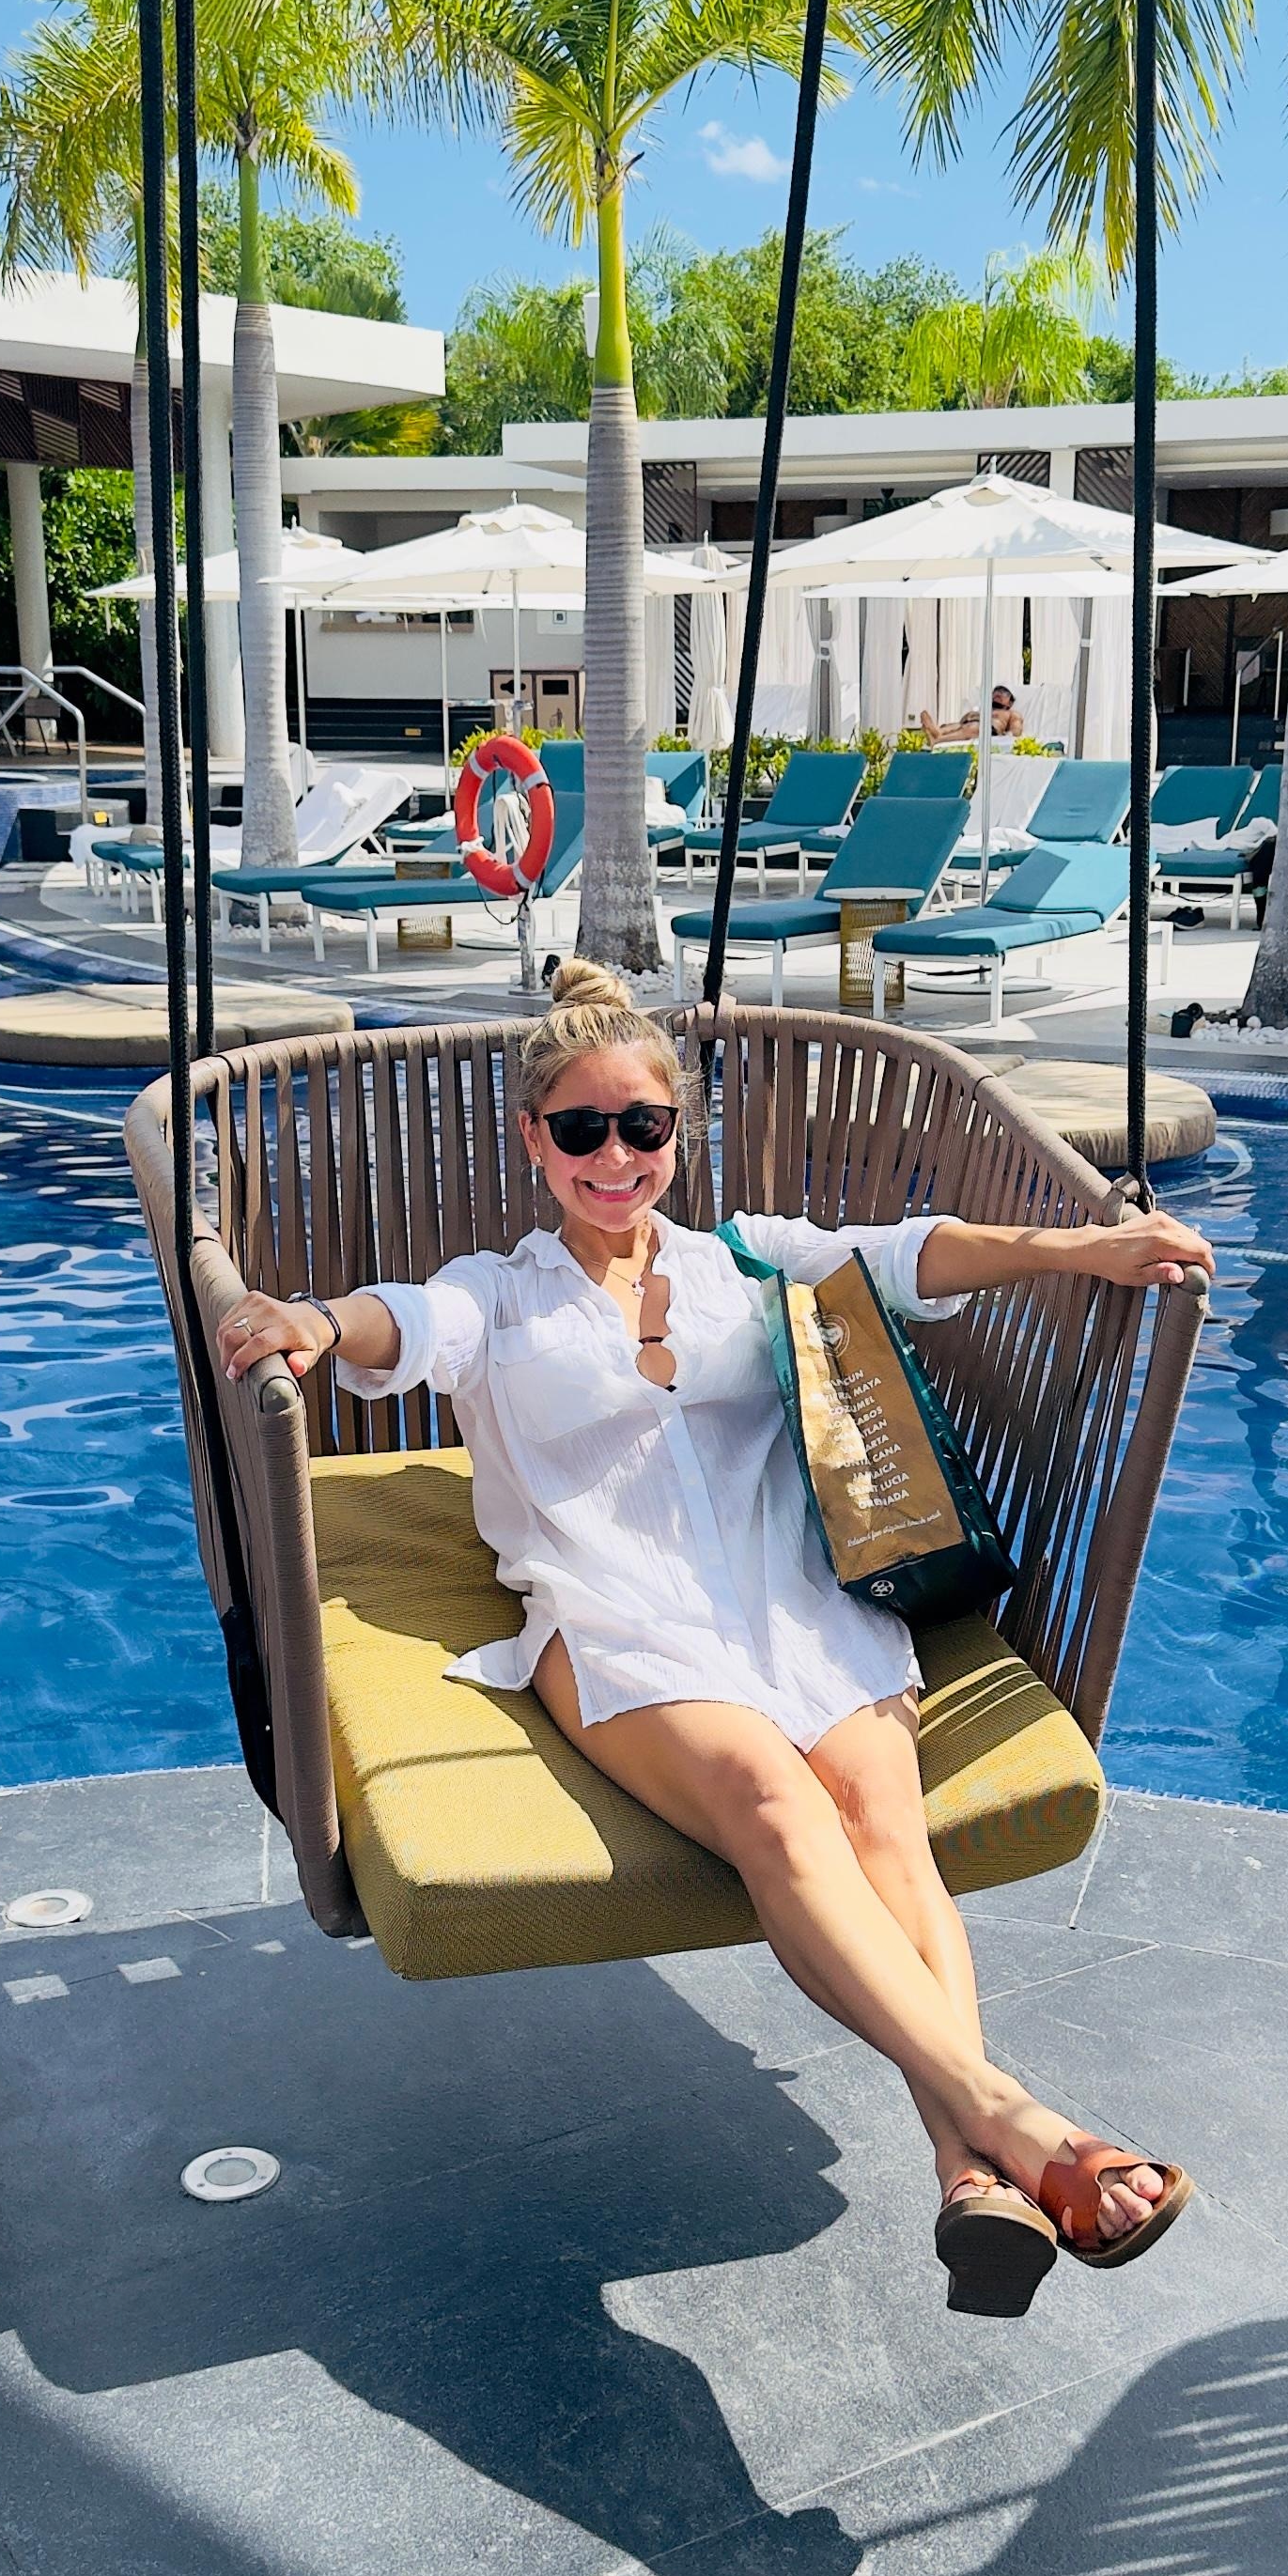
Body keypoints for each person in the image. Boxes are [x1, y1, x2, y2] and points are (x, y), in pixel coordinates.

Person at [219, 961, 1217, 2320]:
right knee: (772, 1806)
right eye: (580, 1131)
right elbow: (400, 1321)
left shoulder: (744, 1258)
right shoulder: (498, 1296)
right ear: (532, 1140)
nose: (614, 1157)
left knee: (883, 1823)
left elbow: (916, 1255)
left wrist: (1084, 1248)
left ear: (678, 1138)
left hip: (799, 1605)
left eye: (643, 1129)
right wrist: (313, 1323)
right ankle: (1021, 2122)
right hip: (616, 1622)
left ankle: (967, 2176)